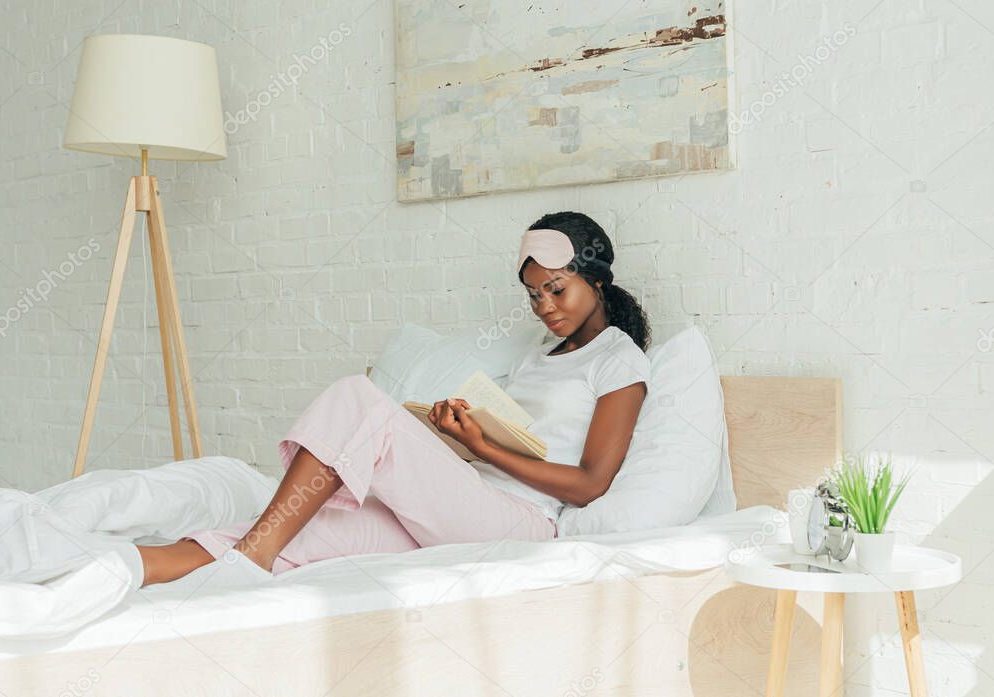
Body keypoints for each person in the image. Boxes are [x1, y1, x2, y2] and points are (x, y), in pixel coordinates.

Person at [137, 211, 652, 586]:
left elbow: (590, 484)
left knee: (359, 399)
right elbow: (516, 444)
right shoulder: (537, 357)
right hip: (464, 505)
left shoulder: (619, 361)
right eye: (534, 294)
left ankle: (251, 559)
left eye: (556, 289)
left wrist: (488, 449)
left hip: (522, 526)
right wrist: (458, 437)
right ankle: (125, 567)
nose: (543, 306)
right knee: (305, 529)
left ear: (598, 281)